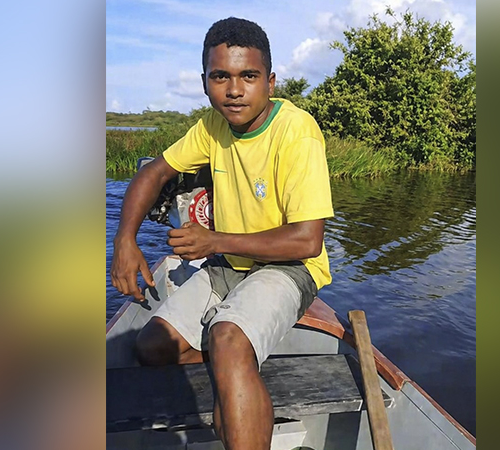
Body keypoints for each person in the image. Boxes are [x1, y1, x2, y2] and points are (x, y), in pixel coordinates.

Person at [110, 17, 333, 450]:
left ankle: (235, 374)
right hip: (228, 265)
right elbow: (154, 172)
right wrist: (125, 240)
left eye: (248, 76)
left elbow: (307, 240)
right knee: (153, 347)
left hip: (289, 268)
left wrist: (213, 242)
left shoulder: (297, 131)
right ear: (205, 82)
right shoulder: (213, 126)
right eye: (221, 77)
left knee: (227, 337)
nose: (234, 90)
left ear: (269, 81)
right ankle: (233, 382)